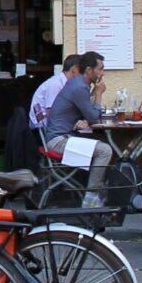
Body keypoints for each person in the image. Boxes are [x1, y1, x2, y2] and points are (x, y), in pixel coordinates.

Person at [42, 53, 113, 206]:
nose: (103, 73)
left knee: (101, 143)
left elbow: (86, 112)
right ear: (89, 70)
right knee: (105, 150)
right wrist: (99, 93)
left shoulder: (77, 83)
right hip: (58, 141)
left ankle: (95, 193)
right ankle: (91, 197)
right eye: (100, 69)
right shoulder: (79, 87)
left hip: (61, 136)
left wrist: (85, 118)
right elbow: (94, 116)